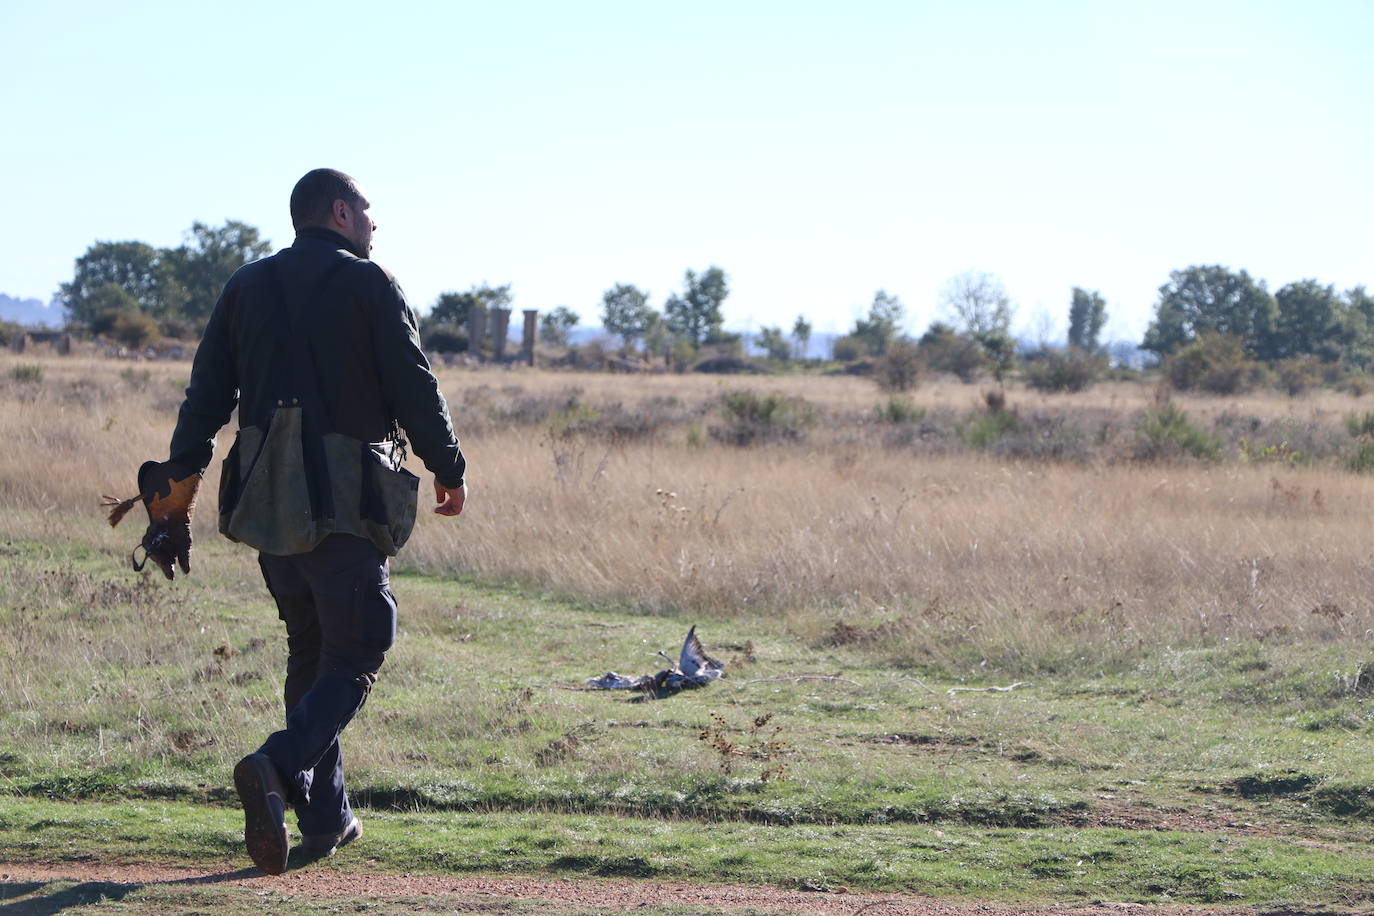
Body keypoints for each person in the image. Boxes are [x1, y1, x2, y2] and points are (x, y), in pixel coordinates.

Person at [134, 168, 467, 875]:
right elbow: (415, 385)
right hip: (344, 499)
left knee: (312, 652)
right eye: (369, 213)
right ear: (341, 212)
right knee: (363, 642)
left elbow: (204, 400)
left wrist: (177, 490)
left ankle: (326, 818)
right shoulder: (369, 284)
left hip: (266, 503)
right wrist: (450, 467)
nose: (376, 226)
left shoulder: (245, 286)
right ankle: (277, 765)